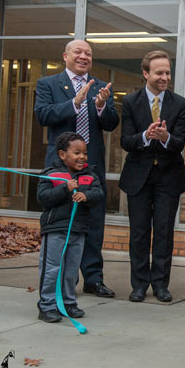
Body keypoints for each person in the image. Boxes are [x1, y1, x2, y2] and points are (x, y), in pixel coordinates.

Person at [35, 39, 119, 298]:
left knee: (93, 223)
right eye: (78, 52)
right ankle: (59, 281)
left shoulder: (100, 87)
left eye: (88, 53)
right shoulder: (48, 84)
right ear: (65, 56)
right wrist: (74, 102)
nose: (84, 56)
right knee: (61, 222)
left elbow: (112, 123)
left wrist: (102, 106)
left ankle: (93, 279)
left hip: (90, 166)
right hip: (61, 167)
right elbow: (43, 115)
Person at [118, 50, 185, 303]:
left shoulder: (179, 103)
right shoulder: (129, 102)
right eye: (159, 73)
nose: (165, 77)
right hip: (138, 177)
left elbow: (180, 141)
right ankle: (139, 285)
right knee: (138, 233)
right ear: (146, 73)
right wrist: (145, 137)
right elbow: (125, 141)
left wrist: (166, 138)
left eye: (168, 72)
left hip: (168, 177)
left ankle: (160, 284)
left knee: (163, 232)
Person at [36, 132, 104, 323]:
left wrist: (86, 196)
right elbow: (43, 198)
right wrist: (64, 188)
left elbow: (98, 194)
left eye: (84, 153)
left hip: (78, 230)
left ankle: (68, 303)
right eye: (76, 153)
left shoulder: (90, 175)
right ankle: (47, 305)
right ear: (62, 154)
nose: (82, 157)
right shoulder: (51, 174)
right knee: (52, 269)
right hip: (55, 230)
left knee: (71, 270)